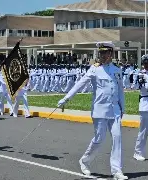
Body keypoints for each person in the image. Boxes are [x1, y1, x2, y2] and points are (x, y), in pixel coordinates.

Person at [57, 42, 128, 180]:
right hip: (100, 110)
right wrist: (66, 98)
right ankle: (85, 161)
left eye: (105, 53)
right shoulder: (94, 69)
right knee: (99, 139)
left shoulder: (117, 70)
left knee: (117, 138)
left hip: (114, 110)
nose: (102, 55)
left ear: (111, 54)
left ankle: (116, 170)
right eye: (100, 53)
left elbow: (120, 90)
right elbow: (80, 84)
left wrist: (122, 107)